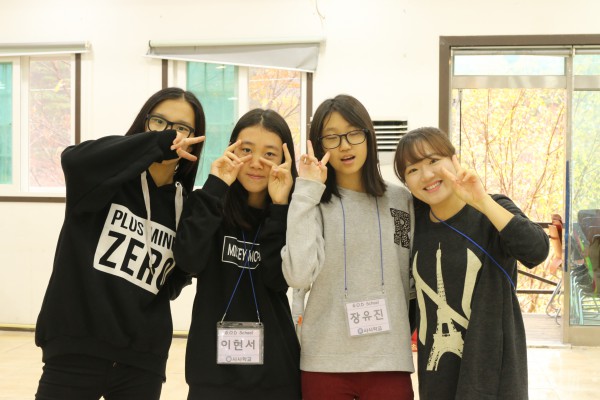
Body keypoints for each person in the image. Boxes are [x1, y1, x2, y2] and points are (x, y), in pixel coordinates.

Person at [34, 87, 206, 400]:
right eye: (159, 122)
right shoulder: (104, 181)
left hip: (141, 363)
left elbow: (174, 281)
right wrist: (156, 145)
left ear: (195, 139)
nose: (170, 133)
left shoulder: (184, 204)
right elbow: (72, 159)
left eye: (182, 128)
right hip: (76, 350)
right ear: (144, 123)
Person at [393, 127, 550, 400]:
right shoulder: (413, 226)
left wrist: (482, 201)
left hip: (495, 376)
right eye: (413, 170)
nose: (426, 175)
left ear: (454, 160)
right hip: (436, 379)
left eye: (433, 161)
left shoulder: (492, 208)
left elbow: (536, 250)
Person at [281, 94, 415, 400]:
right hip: (324, 360)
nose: (344, 145)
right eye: (332, 137)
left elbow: (409, 275)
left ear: (368, 136)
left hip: (389, 359)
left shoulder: (401, 201)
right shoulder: (311, 202)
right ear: (319, 145)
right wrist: (306, 190)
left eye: (354, 133)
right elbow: (298, 275)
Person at [173, 109, 301, 400]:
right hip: (212, 374)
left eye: (269, 154)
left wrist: (280, 208)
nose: (256, 162)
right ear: (231, 151)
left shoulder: (290, 214)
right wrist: (216, 185)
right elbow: (188, 261)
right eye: (246, 150)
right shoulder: (208, 203)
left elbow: (277, 280)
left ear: (285, 160)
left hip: (275, 373)